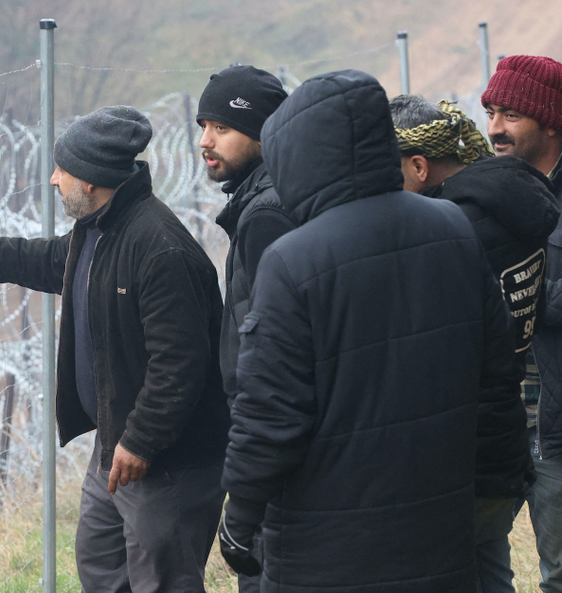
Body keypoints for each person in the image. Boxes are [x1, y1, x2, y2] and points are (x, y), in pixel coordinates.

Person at [218, 69, 520, 593]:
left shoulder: (294, 259)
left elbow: (270, 412)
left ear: (299, 155)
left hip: (324, 548)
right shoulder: (451, 228)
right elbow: (496, 372)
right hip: (438, 527)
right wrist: (494, 484)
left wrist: (239, 517)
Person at [0, 105, 229, 593]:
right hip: (117, 446)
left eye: (61, 170)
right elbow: (57, 261)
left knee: (164, 581)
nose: (52, 180)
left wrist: (140, 441)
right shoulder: (102, 228)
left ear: (90, 181)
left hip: (166, 460)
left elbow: (180, 364)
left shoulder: (158, 249)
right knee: (101, 565)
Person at [391, 94, 557, 592]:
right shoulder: (505, 202)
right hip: (501, 433)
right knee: (490, 565)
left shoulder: (451, 230)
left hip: (465, 443)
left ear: (419, 166)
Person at [196, 64, 291, 593]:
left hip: (266, 437)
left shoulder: (267, 213)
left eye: (221, 128)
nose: (206, 142)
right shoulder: (260, 200)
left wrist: (252, 447)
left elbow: (271, 347)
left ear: (262, 131)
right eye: (202, 126)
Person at [483, 54, 562, 593]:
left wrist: (517, 298)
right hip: (503, 421)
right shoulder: (490, 195)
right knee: (472, 558)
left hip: (555, 429)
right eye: (490, 112)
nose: (494, 129)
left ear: (550, 121)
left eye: (510, 114)